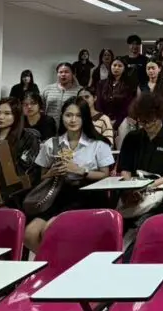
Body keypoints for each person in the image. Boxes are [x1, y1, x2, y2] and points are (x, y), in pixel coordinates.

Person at [23, 98, 115, 251]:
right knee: (29, 234)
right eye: (68, 115)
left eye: (78, 115)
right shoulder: (52, 143)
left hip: (88, 195)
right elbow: (41, 177)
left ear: (85, 118)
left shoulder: (98, 144)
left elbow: (105, 175)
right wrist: (52, 172)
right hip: (58, 194)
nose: (73, 120)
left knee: (50, 229)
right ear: (62, 117)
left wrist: (80, 170)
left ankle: (61, 261)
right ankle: (50, 262)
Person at [117, 94, 163, 192]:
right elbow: (125, 169)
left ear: (160, 116)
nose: (147, 125)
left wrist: (150, 186)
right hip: (134, 188)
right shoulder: (131, 138)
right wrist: (130, 187)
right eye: (143, 122)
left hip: (162, 189)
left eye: (151, 121)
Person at [96, 57, 134, 127]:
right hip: (103, 119)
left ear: (124, 68)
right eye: (114, 65)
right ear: (110, 67)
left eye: (120, 66)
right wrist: (105, 120)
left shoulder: (129, 85)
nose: (116, 68)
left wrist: (117, 122)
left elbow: (127, 106)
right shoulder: (101, 83)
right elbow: (98, 104)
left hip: (121, 120)